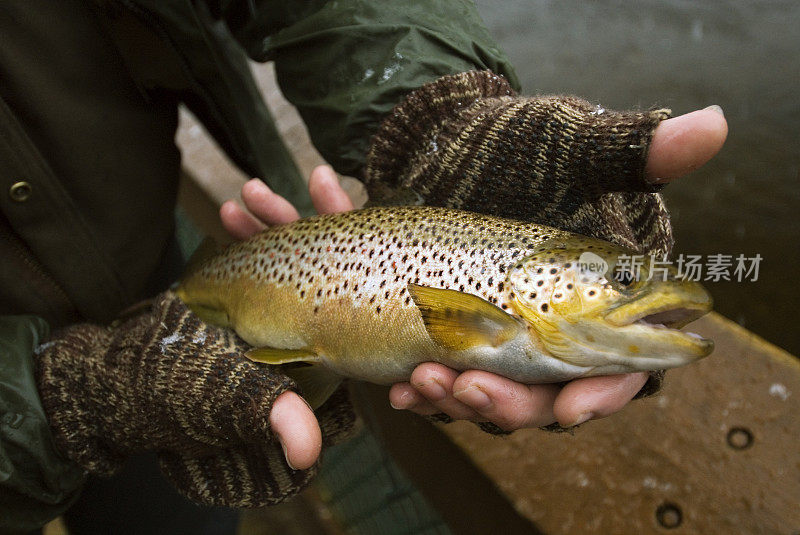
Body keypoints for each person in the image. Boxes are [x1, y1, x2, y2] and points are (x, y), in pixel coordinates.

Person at [0, 0, 727, 532]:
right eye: (624, 281)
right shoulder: (498, 316)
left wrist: (426, 104)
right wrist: (65, 403)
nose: (637, 289)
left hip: (152, 269)